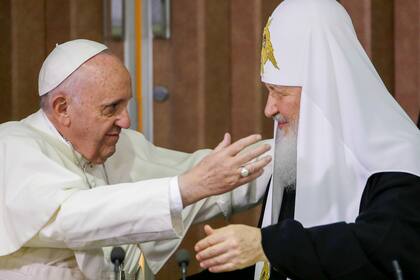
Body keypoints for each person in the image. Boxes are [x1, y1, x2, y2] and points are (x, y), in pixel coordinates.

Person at [0, 39, 273, 279]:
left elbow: (202, 178)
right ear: (63, 108)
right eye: (111, 108)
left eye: (126, 104)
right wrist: (187, 187)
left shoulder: (121, 146)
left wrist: (289, 153)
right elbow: (72, 216)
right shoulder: (14, 145)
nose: (126, 120)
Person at [193, 0, 420, 279]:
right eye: (268, 90)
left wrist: (268, 244)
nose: (269, 108)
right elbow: (268, 267)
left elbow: (386, 253)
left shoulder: (400, 159)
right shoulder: (296, 157)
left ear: (322, 91)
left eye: (280, 92)